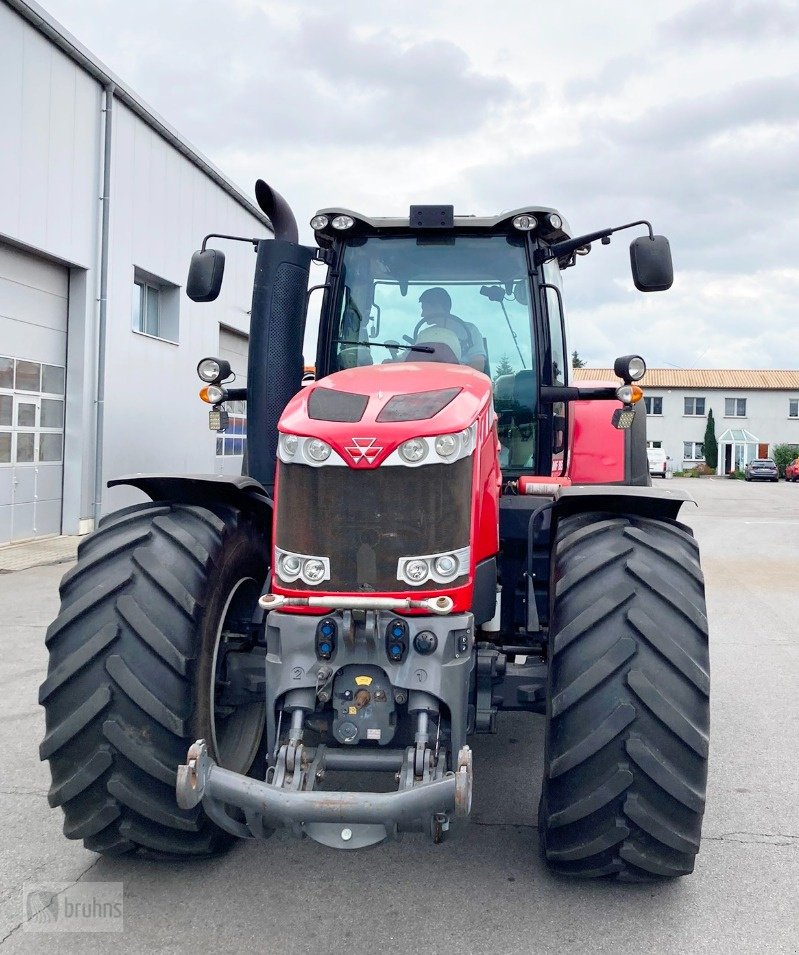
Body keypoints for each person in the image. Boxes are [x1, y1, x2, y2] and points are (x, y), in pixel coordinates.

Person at [416, 288, 487, 373]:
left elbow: (478, 365)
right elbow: (409, 359)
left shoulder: (470, 330)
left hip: (461, 382)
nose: (422, 314)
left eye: (425, 309)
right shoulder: (425, 335)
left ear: (438, 307)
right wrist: (395, 354)